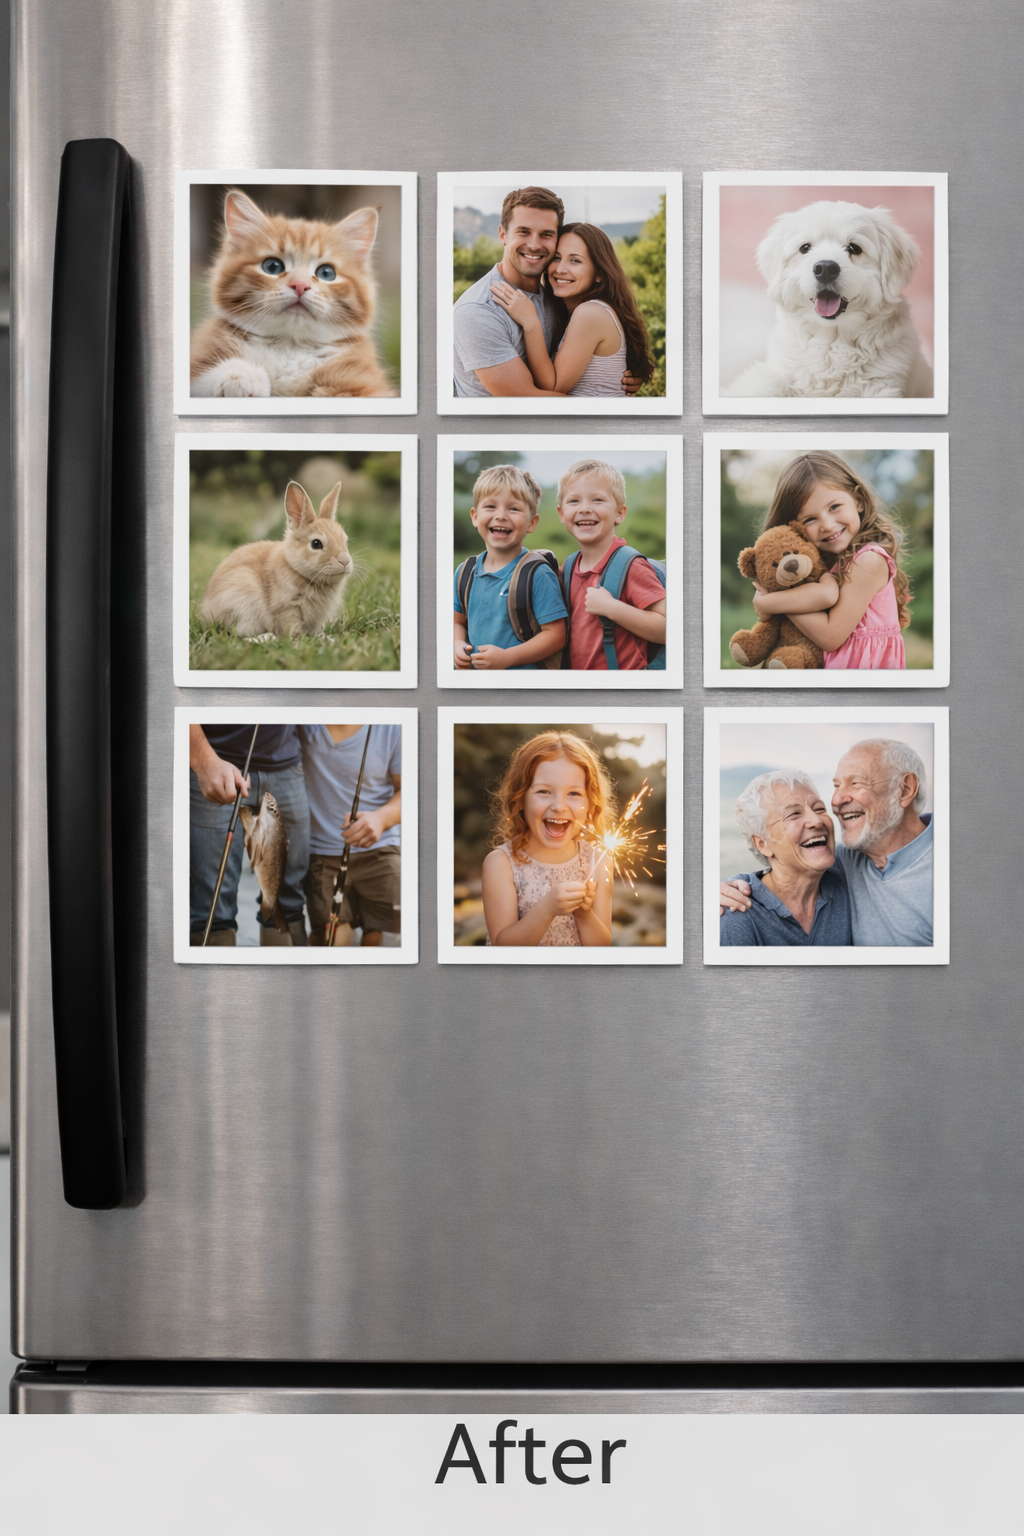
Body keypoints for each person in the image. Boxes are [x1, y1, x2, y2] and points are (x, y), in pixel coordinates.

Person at [721, 739, 934, 946]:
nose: (836, 801)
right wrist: (725, 887)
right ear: (762, 844)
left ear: (905, 789)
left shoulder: (950, 868)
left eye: (856, 782)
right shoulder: (846, 861)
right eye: (836, 786)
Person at [452, 187, 642, 399]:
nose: (534, 245)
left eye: (546, 235)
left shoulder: (557, 299)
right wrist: (611, 403)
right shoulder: (478, 310)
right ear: (503, 234)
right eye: (523, 231)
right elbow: (527, 399)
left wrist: (615, 380)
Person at [741, 451, 912, 670]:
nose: (828, 525)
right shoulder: (824, 566)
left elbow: (831, 637)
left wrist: (770, 601)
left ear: (858, 500)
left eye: (834, 507)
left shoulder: (869, 560)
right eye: (810, 519)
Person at [490, 221, 656, 398]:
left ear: (599, 273)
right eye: (556, 258)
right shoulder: (575, 311)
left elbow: (554, 387)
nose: (560, 269)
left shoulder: (591, 313)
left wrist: (531, 322)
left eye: (575, 260)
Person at [481, 731, 613, 947]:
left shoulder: (598, 862)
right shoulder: (501, 864)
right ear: (520, 798)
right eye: (543, 791)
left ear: (591, 803)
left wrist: (584, 914)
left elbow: (600, 947)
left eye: (574, 794)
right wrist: (547, 908)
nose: (559, 806)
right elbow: (502, 947)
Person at [189, 723, 310, 946]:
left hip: (288, 766)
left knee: (289, 902)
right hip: (215, 763)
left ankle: (289, 980)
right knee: (211, 911)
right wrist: (202, 760)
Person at [453, 464, 567, 671]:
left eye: (513, 509)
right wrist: (457, 644)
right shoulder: (465, 572)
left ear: (532, 523)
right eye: (490, 507)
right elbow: (458, 622)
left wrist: (507, 658)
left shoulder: (537, 574)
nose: (501, 515)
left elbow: (556, 636)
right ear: (475, 516)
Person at [720, 771, 853, 947]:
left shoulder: (850, 880)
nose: (817, 821)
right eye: (794, 814)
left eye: (819, 808)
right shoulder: (737, 913)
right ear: (762, 844)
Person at [556, 458, 666, 670]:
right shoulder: (567, 568)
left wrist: (612, 608)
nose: (585, 509)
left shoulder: (630, 567)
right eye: (574, 501)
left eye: (597, 500)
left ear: (619, 513)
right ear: (561, 514)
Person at [300, 723, 402, 947]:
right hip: (321, 855)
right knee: (331, 944)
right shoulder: (300, 723)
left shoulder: (394, 726)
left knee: (385, 941)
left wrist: (381, 819)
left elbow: (411, 790)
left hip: (383, 850)